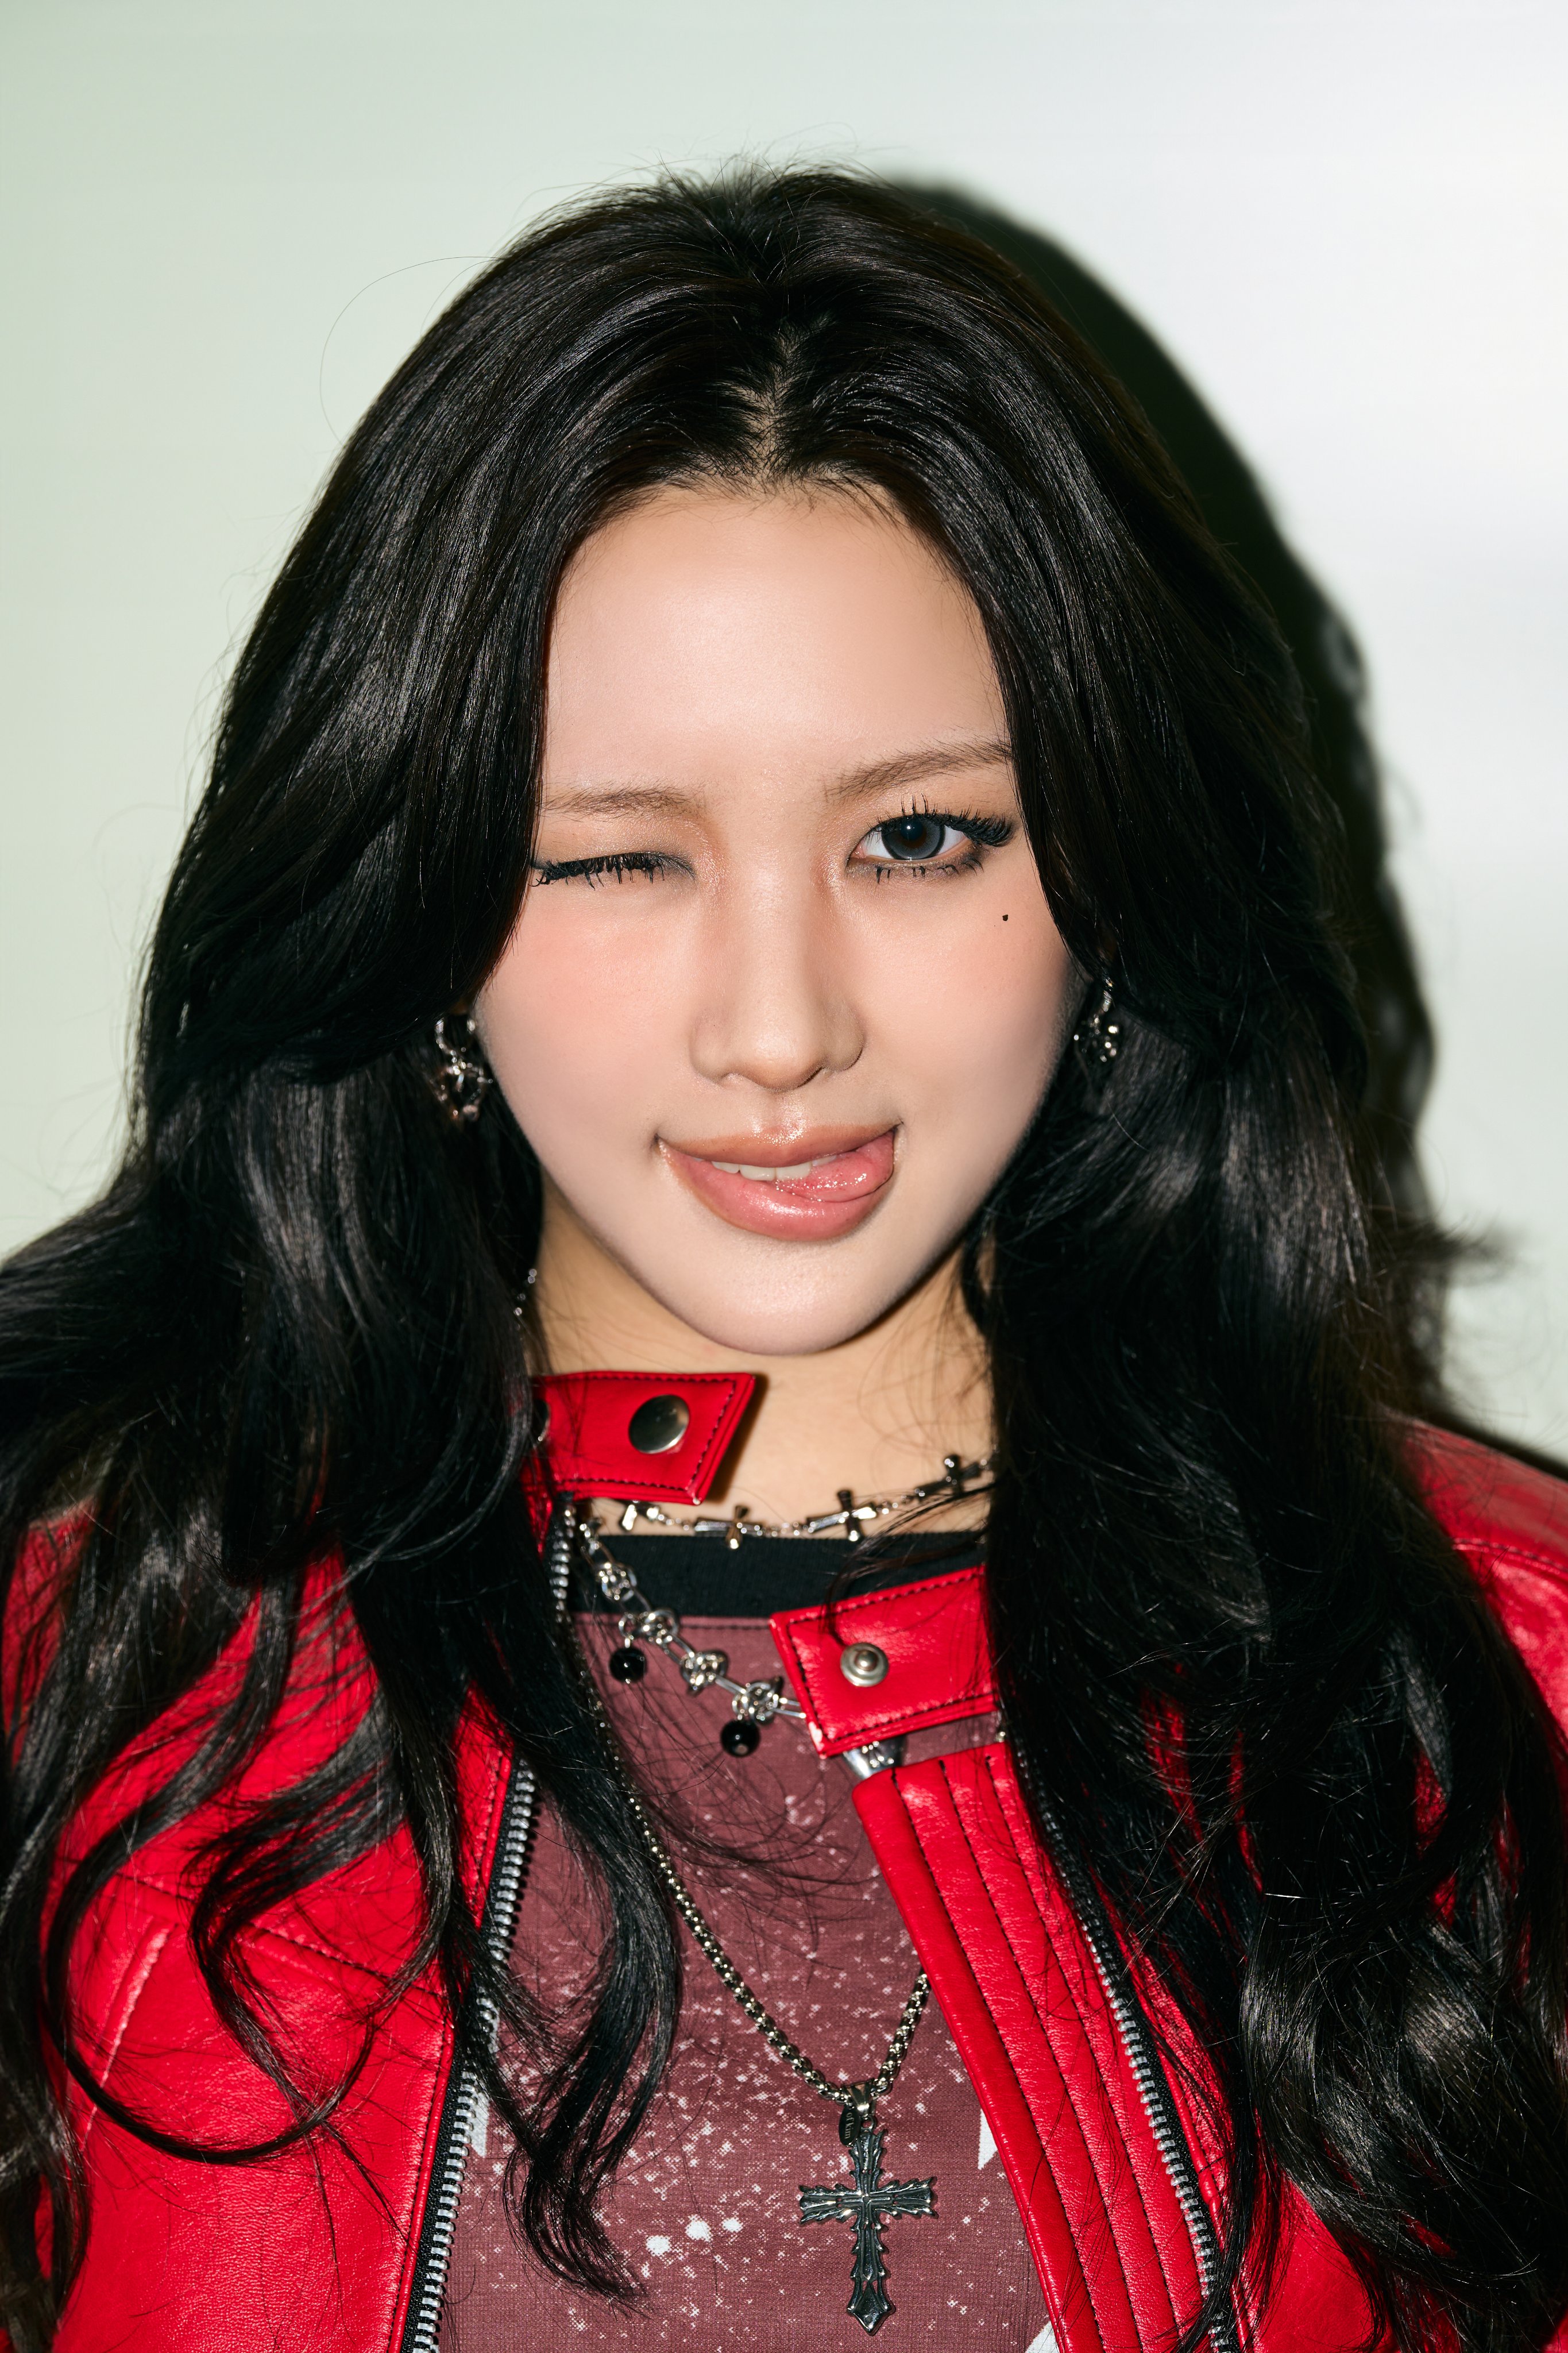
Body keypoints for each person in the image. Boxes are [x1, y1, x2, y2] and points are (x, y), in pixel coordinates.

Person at [2, 166, 1566, 2353]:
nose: (776, 1030)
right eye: (616, 857)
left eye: (918, 838)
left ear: (1108, 882)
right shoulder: (85, 1676)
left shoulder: (1505, 1679)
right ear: (420, 918)